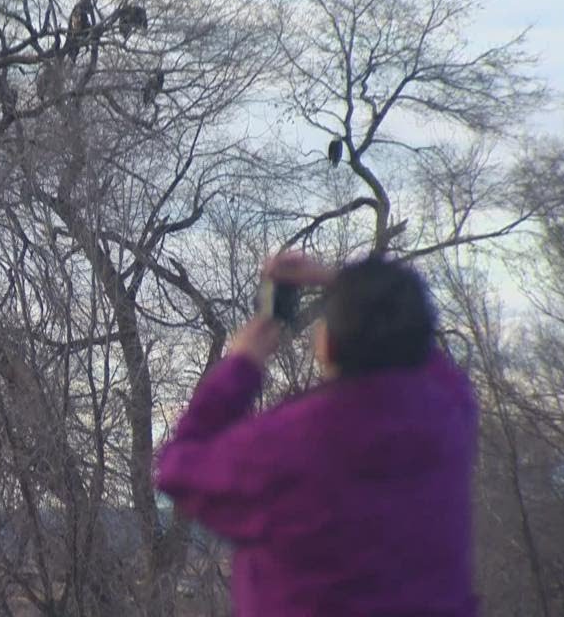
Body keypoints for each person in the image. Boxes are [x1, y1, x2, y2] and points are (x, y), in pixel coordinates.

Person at [155, 251, 479, 616]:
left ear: (328, 346)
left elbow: (178, 467)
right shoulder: (447, 415)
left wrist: (240, 366)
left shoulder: (292, 443)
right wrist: (353, 290)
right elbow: (418, 350)